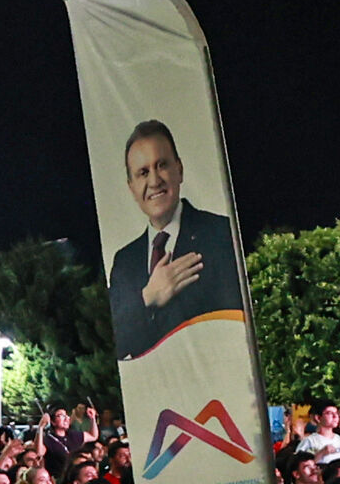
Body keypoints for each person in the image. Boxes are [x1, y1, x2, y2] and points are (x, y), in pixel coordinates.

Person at [105, 116, 249, 361]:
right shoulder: (124, 262)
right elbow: (118, 345)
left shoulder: (221, 234)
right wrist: (148, 297)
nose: (154, 181)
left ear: (179, 170)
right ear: (131, 187)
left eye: (161, 165)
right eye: (142, 172)